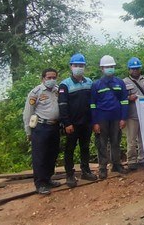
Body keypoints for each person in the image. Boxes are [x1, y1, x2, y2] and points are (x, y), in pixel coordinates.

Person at [58, 53, 98, 187]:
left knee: (85, 147)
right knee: (69, 149)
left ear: (84, 67)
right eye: (76, 65)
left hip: (86, 123)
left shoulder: (89, 82)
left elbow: (93, 103)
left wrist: (93, 121)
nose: (79, 68)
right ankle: (70, 175)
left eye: (81, 65)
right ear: (71, 67)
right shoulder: (65, 85)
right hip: (72, 124)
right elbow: (62, 105)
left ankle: (85, 171)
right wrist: (67, 123)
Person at [90, 55, 130, 179]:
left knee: (116, 142)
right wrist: (95, 122)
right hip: (101, 119)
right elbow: (92, 104)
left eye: (111, 66)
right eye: (107, 67)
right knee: (101, 143)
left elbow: (124, 101)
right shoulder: (96, 84)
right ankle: (102, 168)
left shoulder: (119, 82)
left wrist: (123, 118)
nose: (110, 69)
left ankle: (116, 164)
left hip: (116, 118)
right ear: (102, 68)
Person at [22, 68, 61, 194]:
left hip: (54, 126)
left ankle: (48, 179)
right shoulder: (36, 92)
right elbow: (28, 113)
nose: (51, 80)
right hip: (40, 127)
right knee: (40, 156)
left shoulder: (57, 90)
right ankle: (40, 184)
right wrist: (28, 131)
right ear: (43, 78)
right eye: (48, 78)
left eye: (54, 77)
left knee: (52, 154)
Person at [123, 57, 144, 171]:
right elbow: (120, 98)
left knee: (143, 138)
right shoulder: (124, 82)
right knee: (132, 140)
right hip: (131, 115)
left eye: (137, 68)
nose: (135, 71)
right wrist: (129, 98)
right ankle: (132, 160)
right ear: (129, 69)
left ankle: (142, 158)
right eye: (133, 69)